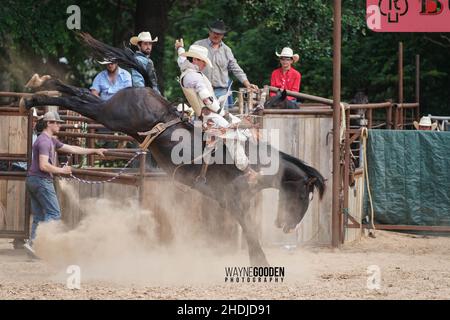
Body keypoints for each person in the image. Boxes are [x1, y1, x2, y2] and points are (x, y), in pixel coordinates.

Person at [23, 111, 107, 255]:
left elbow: (73, 149)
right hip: (41, 180)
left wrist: (94, 150)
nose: (59, 125)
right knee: (54, 213)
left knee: (39, 215)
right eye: (57, 123)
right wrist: (61, 171)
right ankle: (40, 245)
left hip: (33, 179)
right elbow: (44, 166)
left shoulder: (49, 140)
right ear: (49, 124)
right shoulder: (44, 141)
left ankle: (34, 244)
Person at [174, 42, 258, 181]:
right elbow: (207, 99)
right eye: (203, 61)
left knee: (239, 127)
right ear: (194, 60)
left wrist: (179, 48)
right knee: (234, 134)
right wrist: (222, 112)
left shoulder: (186, 69)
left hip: (208, 114)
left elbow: (181, 59)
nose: (205, 64)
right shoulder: (194, 77)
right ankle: (247, 170)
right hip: (210, 117)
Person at [193, 20, 258, 109]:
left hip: (221, 91)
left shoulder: (227, 50)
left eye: (219, 34)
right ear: (209, 32)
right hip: (202, 89)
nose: (216, 35)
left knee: (222, 119)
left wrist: (247, 83)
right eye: (214, 32)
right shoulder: (198, 46)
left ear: (223, 35)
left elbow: (235, 68)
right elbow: (189, 65)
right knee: (201, 118)